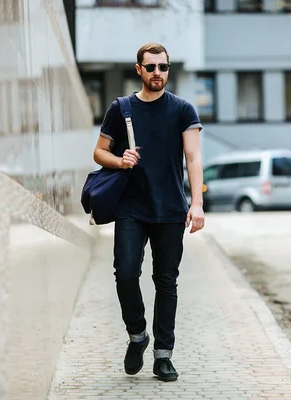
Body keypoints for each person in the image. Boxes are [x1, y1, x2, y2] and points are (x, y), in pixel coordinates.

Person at [92, 43, 205, 382]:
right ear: (138, 69)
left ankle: (163, 355)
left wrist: (196, 203)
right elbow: (99, 152)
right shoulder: (121, 108)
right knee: (125, 272)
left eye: (164, 67)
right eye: (151, 67)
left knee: (166, 281)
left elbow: (194, 157)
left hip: (170, 207)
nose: (158, 73)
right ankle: (138, 334)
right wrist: (119, 159)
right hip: (131, 205)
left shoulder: (183, 110)